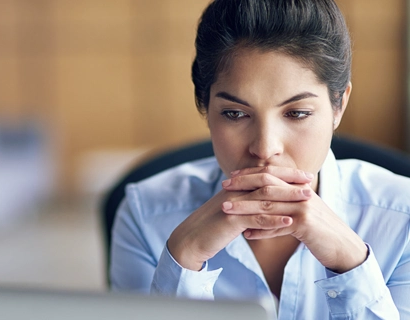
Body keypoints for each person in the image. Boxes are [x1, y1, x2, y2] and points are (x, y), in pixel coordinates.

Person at [109, 0, 410, 319]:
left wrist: (351, 264)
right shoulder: (145, 214)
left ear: (339, 105)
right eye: (235, 113)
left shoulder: (402, 217)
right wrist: (183, 260)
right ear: (205, 108)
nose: (266, 149)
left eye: (297, 113)